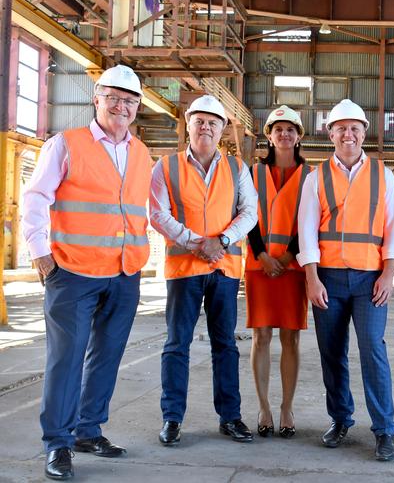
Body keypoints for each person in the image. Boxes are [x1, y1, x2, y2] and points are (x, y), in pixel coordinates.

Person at [22, 65, 151, 480]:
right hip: (73, 271)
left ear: (137, 108)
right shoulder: (66, 144)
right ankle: (57, 443)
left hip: (124, 271)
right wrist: (41, 255)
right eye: (113, 97)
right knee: (66, 359)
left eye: (129, 101)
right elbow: (36, 198)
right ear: (96, 99)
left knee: (106, 358)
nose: (121, 107)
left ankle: (88, 430)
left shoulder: (142, 152)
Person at [297, 99, 394, 462]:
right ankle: (340, 419)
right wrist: (311, 279)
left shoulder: (383, 175)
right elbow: (307, 231)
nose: (348, 134)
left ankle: (384, 429)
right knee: (332, 352)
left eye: (355, 128)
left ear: (364, 133)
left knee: (373, 351)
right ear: (330, 134)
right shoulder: (316, 177)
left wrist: (389, 274)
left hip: (370, 279)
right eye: (341, 128)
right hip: (328, 278)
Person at [150, 95, 257, 446]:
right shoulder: (165, 167)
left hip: (224, 268)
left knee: (224, 344)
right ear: (188, 125)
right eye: (199, 120)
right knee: (176, 344)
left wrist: (222, 241)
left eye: (213, 122)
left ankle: (230, 417)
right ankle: (172, 419)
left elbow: (249, 212)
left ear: (222, 129)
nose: (206, 127)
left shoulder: (236, 168)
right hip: (184, 268)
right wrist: (200, 242)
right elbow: (158, 214)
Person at [245, 105, 310, 438]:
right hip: (259, 266)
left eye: (291, 129)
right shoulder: (252, 173)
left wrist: (285, 258)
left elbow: (312, 222)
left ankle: (286, 407)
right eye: (278, 129)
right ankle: (264, 408)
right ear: (268, 135)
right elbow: (246, 215)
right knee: (261, 336)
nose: (284, 135)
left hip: (294, 267)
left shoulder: (311, 176)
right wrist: (262, 255)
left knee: (291, 338)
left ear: (299, 136)